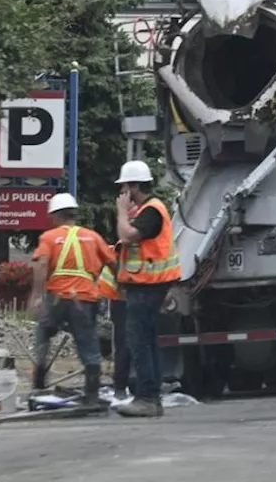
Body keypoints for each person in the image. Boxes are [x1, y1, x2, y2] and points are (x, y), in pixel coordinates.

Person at [29, 193, 116, 407]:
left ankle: (39, 381)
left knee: (44, 333)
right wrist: (124, 286)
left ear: (56, 215)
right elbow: (113, 264)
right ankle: (92, 394)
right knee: (88, 343)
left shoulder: (49, 238)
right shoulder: (93, 237)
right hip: (85, 298)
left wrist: (37, 295)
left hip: (58, 297)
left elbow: (41, 265)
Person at [113, 160, 181, 418]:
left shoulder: (152, 211)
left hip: (147, 287)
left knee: (139, 341)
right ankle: (151, 397)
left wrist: (121, 212)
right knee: (148, 341)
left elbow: (129, 235)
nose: (121, 194)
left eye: (124, 188)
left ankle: (146, 398)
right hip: (147, 286)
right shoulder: (148, 210)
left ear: (134, 186)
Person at [97, 265, 132, 400]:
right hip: (126, 296)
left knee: (123, 343)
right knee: (132, 343)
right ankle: (127, 387)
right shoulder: (122, 250)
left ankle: (121, 387)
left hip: (121, 297)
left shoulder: (119, 249)